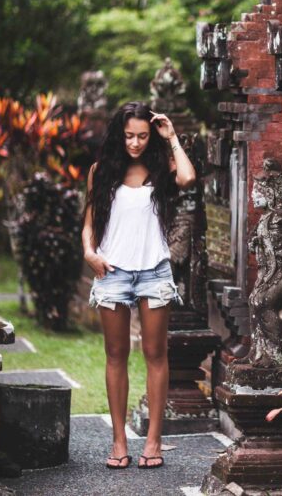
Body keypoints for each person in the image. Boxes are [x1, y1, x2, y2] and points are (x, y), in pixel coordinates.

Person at [82, 102, 196, 470]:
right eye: (129, 135)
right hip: (111, 272)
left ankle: (153, 441)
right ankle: (118, 442)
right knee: (116, 355)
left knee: (155, 355)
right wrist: (89, 253)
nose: (135, 143)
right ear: (119, 134)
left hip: (153, 272)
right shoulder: (101, 172)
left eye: (142, 136)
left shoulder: (163, 167)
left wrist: (172, 136)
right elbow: (90, 221)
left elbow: (189, 179)